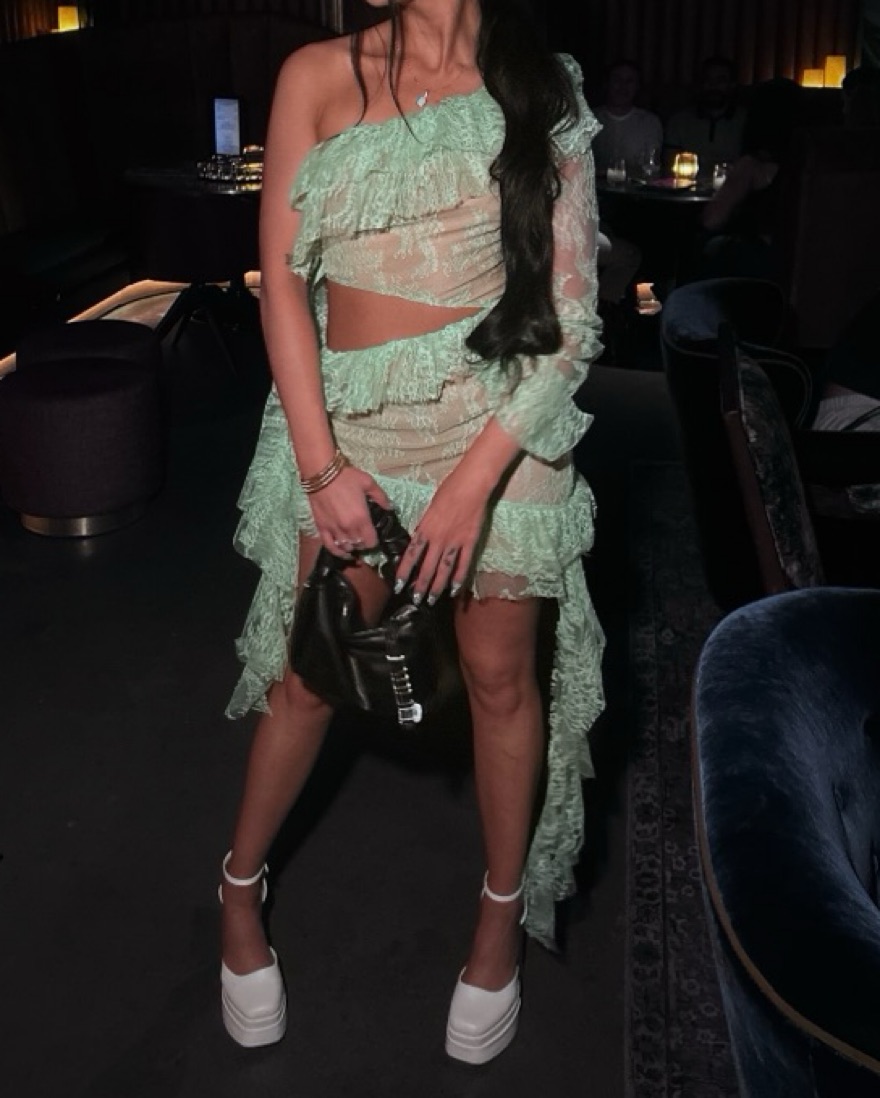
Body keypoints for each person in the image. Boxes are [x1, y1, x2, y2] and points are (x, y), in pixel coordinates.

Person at [219, 0, 605, 1066]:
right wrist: (320, 467)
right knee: (310, 676)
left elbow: (574, 321)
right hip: (352, 433)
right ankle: (239, 889)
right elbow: (282, 287)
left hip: (504, 430)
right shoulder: (316, 74)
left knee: (500, 680)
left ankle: (497, 921)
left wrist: (476, 480)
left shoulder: (544, 83)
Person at [697, 78, 804, 281]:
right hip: (801, 258)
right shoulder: (811, 163)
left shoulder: (753, 165)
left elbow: (712, 220)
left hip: (758, 263)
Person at [665, 55, 746, 170]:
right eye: (708, 80)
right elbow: (670, 164)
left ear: (732, 85)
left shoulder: (748, 121)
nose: (713, 85)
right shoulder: (679, 121)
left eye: (720, 80)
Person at [594, 58, 663, 178]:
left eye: (629, 81)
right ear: (607, 84)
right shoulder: (588, 119)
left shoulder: (650, 123)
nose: (622, 87)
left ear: (637, 87)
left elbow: (651, 165)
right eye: (617, 80)